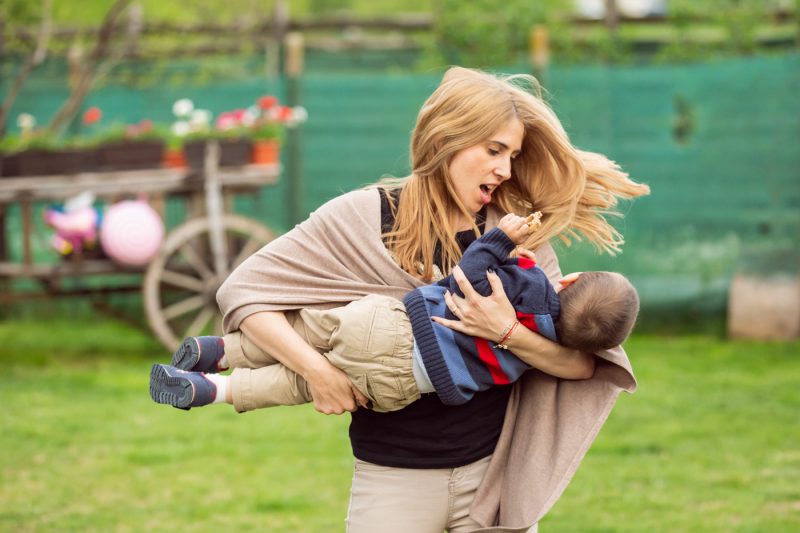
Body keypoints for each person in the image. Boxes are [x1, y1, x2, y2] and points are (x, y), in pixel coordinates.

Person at [182, 66, 649, 532]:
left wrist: (504, 332)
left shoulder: (513, 235)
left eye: (513, 155)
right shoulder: (362, 217)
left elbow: (579, 366)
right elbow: (245, 294)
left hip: (492, 481)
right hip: (391, 482)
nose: (505, 170)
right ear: (447, 140)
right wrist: (317, 372)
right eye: (494, 151)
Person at [149, 212, 641, 413]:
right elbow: (577, 368)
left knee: (313, 328)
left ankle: (221, 349)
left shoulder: (528, 280)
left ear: (570, 280)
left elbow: (468, 271)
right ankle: (213, 391)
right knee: (301, 386)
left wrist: (502, 240)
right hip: (408, 386)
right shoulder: (546, 354)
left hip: (395, 326)